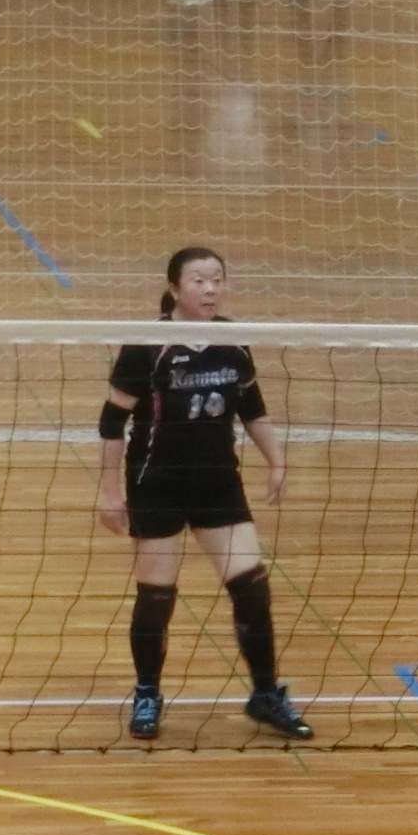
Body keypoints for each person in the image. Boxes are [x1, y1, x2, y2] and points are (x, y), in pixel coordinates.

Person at [97, 246, 310, 742]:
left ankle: (265, 694)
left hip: (218, 483)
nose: (210, 288)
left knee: (251, 587)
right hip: (157, 483)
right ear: (175, 289)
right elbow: (111, 422)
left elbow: (252, 408)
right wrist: (109, 492)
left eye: (217, 279)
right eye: (199, 280)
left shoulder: (231, 340)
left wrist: (277, 460)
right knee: (156, 597)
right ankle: (147, 692)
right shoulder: (147, 345)